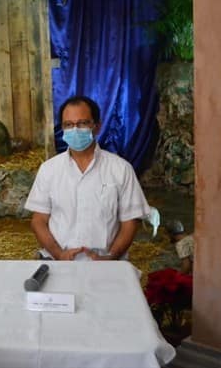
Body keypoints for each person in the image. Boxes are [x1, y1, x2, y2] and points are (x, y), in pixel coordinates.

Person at [24, 95, 150, 260]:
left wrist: (110, 257)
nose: (75, 130)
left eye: (82, 123)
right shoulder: (49, 169)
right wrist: (59, 254)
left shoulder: (121, 169)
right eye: (68, 125)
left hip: (105, 262)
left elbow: (130, 222)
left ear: (97, 127)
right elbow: (39, 221)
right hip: (57, 260)